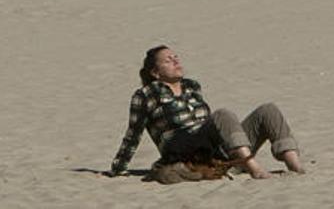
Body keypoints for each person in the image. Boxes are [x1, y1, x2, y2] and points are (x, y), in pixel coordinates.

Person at [109, 45, 305, 179]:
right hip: (183, 151)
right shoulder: (146, 94)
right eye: (168, 60)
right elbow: (133, 133)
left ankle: (296, 167)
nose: (175, 61)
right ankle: (254, 169)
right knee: (223, 114)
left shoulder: (192, 87)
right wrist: (118, 168)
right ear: (155, 72)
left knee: (267, 110)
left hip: (215, 149)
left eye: (176, 57)